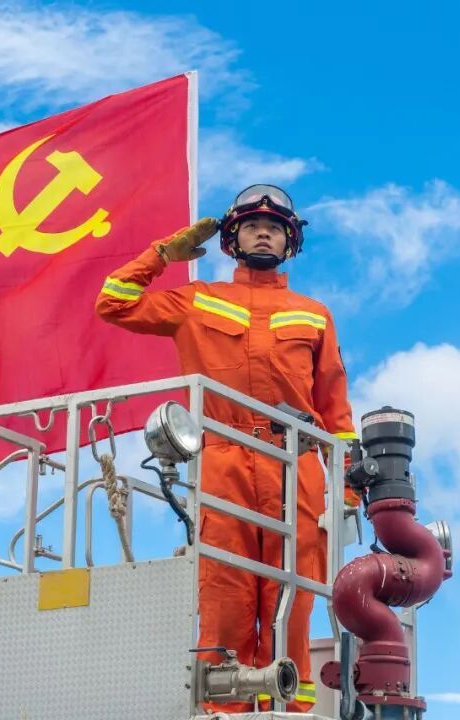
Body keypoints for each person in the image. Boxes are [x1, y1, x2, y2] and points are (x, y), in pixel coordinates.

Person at [96, 184, 358, 713]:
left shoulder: (313, 314)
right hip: (224, 459)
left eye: (275, 228)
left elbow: (335, 409)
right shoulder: (198, 300)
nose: (264, 233)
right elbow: (113, 302)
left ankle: (290, 709)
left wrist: (347, 487)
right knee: (226, 591)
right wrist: (162, 254)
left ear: (290, 243)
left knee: (294, 594)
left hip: (296, 465)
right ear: (232, 240)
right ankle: (224, 710)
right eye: (252, 226)